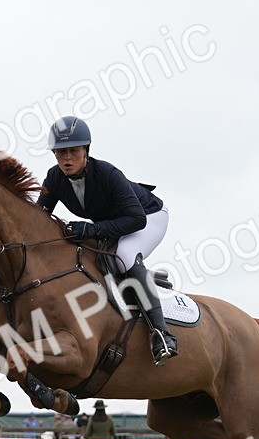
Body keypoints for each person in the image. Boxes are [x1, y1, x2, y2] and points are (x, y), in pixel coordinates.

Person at [36, 116, 178, 366]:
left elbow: (136, 220)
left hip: (148, 216)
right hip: (115, 221)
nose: (66, 158)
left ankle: (162, 334)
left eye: (73, 151)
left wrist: (91, 229)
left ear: (86, 151)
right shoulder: (54, 178)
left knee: (124, 255)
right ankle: (144, 276)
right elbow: (38, 217)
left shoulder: (108, 174)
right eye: (60, 153)